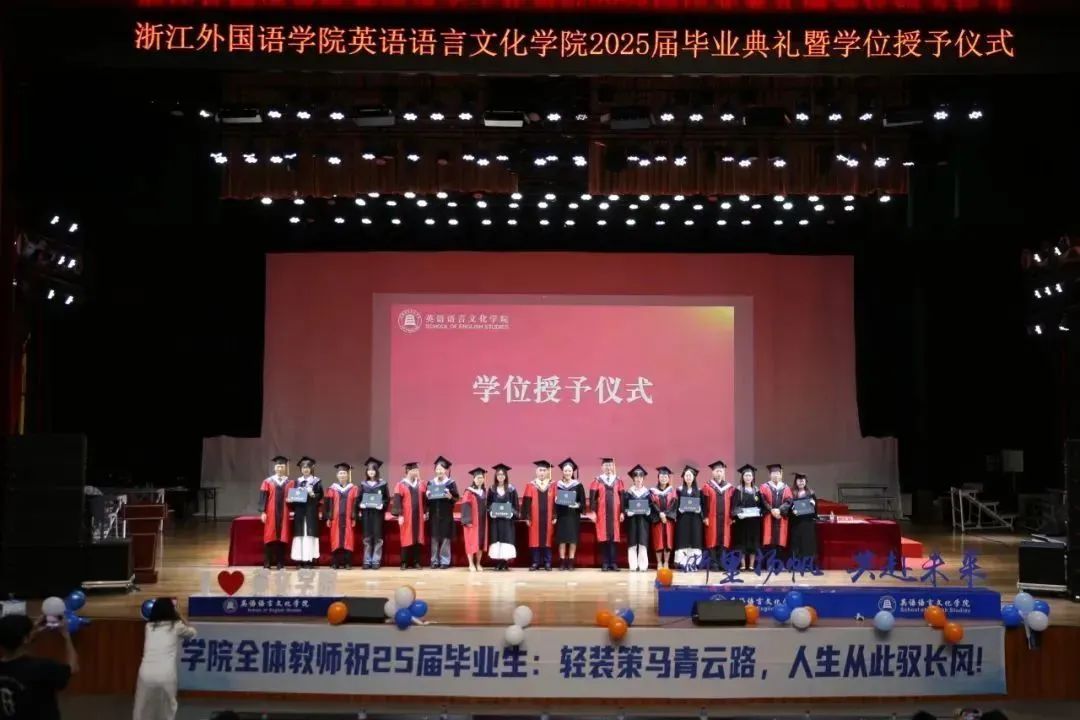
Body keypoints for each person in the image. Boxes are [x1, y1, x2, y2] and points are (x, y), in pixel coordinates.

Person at [0, 613, 77, 720]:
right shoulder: (42, 668)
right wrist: (66, 636)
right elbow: (72, 668)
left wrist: (32, 630)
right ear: (25, 639)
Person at [133, 599, 196, 720]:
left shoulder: (149, 627)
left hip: (145, 673)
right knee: (167, 711)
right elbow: (192, 632)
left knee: (142, 709)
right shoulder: (177, 626)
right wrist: (180, 615)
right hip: (166, 674)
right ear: (172, 611)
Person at [258, 455, 293, 570]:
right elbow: (263, 498)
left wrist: (292, 504)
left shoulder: (290, 482)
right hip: (271, 513)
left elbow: (294, 498)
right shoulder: (267, 482)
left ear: (285, 468)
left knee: (282, 538)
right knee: (269, 537)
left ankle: (280, 563)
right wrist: (263, 512)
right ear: (274, 468)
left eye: (282, 466)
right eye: (278, 466)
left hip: (284, 512)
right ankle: (267, 562)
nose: (280, 468)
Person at [590, 457, 624, 571]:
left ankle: (613, 563)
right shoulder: (597, 480)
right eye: (606, 465)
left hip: (615, 514)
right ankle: (605, 563)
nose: (608, 467)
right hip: (602, 513)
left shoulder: (618, 480)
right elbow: (593, 498)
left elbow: (622, 497)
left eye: (610, 465)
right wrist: (593, 512)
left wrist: (622, 512)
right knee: (604, 538)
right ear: (602, 467)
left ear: (613, 467)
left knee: (614, 539)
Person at [425, 456, 459, 569]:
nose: (439, 471)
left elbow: (456, 498)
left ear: (446, 470)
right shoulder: (431, 483)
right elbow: (427, 502)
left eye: (441, 469)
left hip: (446, 514)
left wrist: (450, 497)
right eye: (437, 469)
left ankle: (445, 561)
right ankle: (434, 560)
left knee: (445, 538)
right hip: (434, 514)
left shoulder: (450, 483)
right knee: (434, 538)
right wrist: (427, 496)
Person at [357, 457, 391, 569]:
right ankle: (367, 560)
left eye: (373, 470)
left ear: (376, 471)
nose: (371, 472)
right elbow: (358, 499)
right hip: (366, 514)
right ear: (366, 471)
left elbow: (386, 499)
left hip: (377, 514)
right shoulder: (363, 484)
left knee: (378, 538)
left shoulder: (382, 484)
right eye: (369, 470)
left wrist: (383, 505)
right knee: (367, 538)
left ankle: (376, 560)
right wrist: (360, 505)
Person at [323, 463, 358, 569]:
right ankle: (335, 562)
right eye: (340, 473)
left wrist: (354, 517)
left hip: (348, 519)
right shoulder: (332, 489)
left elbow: (355, 504)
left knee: (348, 540)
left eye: (344, 473)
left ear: (348, 475)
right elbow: (327, 505)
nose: (342, 475)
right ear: (337, 475)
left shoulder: (354, 488)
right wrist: (328, 517)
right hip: (335, 519)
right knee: (335, 539)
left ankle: (347, 563)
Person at [290, 457, 323, 568]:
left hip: (311, 511)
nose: (305, 469)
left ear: (311, 469)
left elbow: (320, 496)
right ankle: (299, 560)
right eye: (303, 468)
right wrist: (292, 498)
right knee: (300, 535)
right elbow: (293, 496)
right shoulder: (297, 482)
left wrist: (312, 494)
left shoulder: (317, 481)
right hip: (299, 512)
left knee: (309, 535)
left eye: (307, 467)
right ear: (301, 469)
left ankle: (309, 560)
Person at [554, 458, 586, 571]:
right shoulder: (557, 485)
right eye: (565, 471)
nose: (567, 473)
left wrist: (577, 505)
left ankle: (571, 562)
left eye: (569, 471)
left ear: (572, 472)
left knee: (572, 539)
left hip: (573, 516)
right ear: (563, 472)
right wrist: (555, 500)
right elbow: (553, 501)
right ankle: (562, 562)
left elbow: (582, 501)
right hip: (562, 516)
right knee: (562, 540)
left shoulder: (578, 485)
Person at [673, 465, 707, 571]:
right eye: (686, 475)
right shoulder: (679, 490)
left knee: (694, 540)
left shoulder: (699, 491)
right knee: (683, 539)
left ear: (694, 477)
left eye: (690, 475)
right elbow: (675, 505)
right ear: (683, 477)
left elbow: (703, 505)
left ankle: (693, 563)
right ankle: (683, 563)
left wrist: (700, 510)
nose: (688, 477)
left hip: (695, 520)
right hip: (683, 519)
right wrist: (679, 510)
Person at [391, 461, 425, 570]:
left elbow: (425, 500)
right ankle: (404, 562)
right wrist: (399, 515)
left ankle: (416, 562)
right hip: (406, 516)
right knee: (406, 538)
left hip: (419, 516)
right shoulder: (401, 484)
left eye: (417, 470)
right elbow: (397, 500)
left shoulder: (421, 484)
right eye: (414, 470)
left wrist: (425, 512)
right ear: (408, 471)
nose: (416, 472)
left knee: (418, 539)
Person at [522, 460, 555, 571]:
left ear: (548, 472)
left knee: (547, 540)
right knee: (534, 540)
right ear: (536, 471)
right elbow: (526, 502)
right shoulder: (530, 485)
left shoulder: (552, 485)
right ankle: (535, 562)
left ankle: (547, 562)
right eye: (540, 470)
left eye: (544, 470)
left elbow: (556, 502)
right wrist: (527, 517)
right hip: (534, 518)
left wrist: (555, 516)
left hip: (548, 518)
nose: (542, 472)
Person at [702, 460, 734, 570]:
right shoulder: (707, 486)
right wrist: (705, 517)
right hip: (712, 517)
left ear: (723, 472)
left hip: (725, 518)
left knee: (724, 539)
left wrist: (732, 516)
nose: (719, 473)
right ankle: (714, 563)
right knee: (712, 539)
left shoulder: (729, 487)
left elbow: (732, 503)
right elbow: (704, 503)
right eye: (717, 471)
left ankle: (722, 562)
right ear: (713, 472)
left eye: (720, 471)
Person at [488, 463, 520, 571]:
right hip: (496, 521)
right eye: (498, 474)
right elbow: (488, 505)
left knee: (506, 541)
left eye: (502, 474)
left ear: (506, 476)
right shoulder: (492, 489)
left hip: (507, 521)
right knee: (497, 540)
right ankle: (498, 562)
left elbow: (516, 506)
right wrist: (491, 512)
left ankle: (504, 562)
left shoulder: (511, 489)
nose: (500, 476)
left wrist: (511, 513)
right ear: (496, 476)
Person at [732, 464, 764, 571]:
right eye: (746, 475)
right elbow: (734, 505)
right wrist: (738, 513)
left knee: (753, 542)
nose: (748, 477)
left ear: (753, 477)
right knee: (741, 543)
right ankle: (742, 564)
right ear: (742, 477)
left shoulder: (757, 490)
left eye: (750, 475)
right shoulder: (738, 490)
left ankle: (751, 565)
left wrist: (760, 511)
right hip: (742, 522)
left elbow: (761, 505)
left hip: (754, 522)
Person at [622, 465, 653, 572]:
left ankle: (643, 565)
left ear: (643, 478)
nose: (638, 479)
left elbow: (651, 506)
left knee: (643, 543)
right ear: (633, 478)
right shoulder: (629, 492)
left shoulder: (647, 493)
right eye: (636, 476)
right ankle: (633, 565)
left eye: (640, 477)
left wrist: (649, 511)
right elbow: (624, 506)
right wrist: (627, 512)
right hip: (632, 521)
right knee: (632, 543)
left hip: (643, 521)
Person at [760, 463, 793, 558]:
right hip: (768, 517)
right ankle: (769, 562)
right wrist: (771, 510)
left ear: (781, 475)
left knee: (780, 541)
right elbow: (762, 500)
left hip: (781, 517)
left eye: (778, 473)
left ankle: (779, 562)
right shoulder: (764, 487)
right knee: (769, 541)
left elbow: (789, 501)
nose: (776, 475)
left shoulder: (786, 487)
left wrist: (780, 510)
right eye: (773, 473)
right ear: (769, 475)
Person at [460, 467, 489, 572]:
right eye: (478, 478)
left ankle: (478, 563)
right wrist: (467, 521)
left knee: (480, 543)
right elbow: (465, 506)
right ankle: (471, 564)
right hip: (472, 522)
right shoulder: (469, 491)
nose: (480, 480)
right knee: (471, 543)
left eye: (481, 478)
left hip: (482, 522)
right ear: (474, 479)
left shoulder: (483, 491)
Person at [649, 466, 676, 570]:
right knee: (658, 542)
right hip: (657, 520)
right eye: (661, 476)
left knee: (668, 542)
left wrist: (666, 514)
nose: (663, 478)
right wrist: (660, 514)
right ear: (658, 477)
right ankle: (659, 562)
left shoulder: (672, 491)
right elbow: (652, 504)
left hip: (668, 520)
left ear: (668, 478)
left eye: (665, 477)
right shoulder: (653, 491)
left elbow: (674, 504)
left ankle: (666, 562)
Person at [788, 473, 818, 565]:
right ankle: (796, 564)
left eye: (803, 480)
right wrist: (792, 511)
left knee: (807, 543)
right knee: (796, 543)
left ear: (805, 482)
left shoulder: (811, 493)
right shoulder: (791, 493)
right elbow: (788, 507)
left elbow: (816, 510)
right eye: (799, 480)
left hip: (807, 522)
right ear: (795, 482)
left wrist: (814, 505)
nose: (801, 482)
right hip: (796, 522)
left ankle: (807, 564)